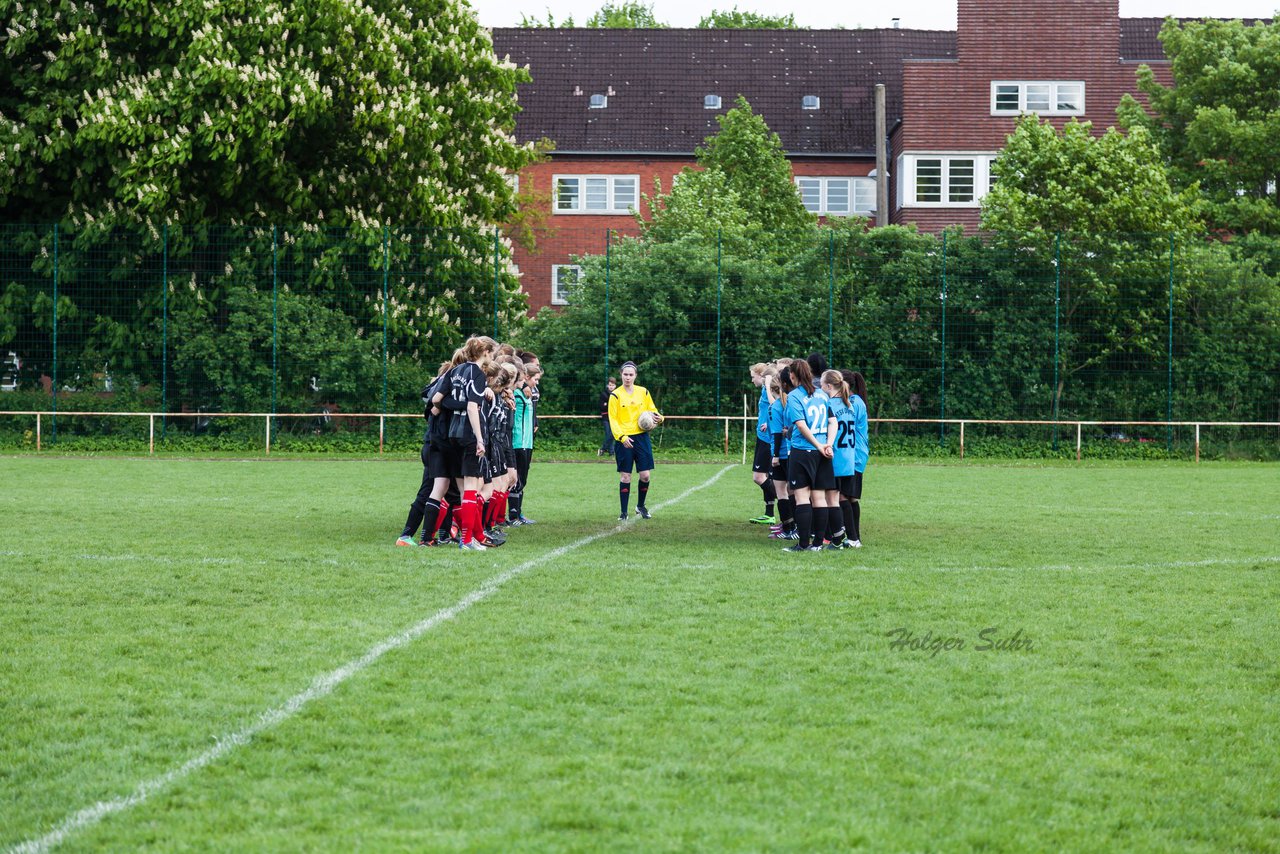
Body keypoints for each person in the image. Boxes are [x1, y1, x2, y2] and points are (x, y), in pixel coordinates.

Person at [781, 359, 836, 553]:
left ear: (793, 376)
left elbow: (801, 425)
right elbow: (832, 421)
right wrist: (828, 444)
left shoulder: (795, 396)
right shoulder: (822, 394)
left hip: (803, 451)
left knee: (802, 497)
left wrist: (820, 445)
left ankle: (803, 544)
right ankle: (818, 544)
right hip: (821, 453)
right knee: (819, 498)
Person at [608, 360, 662, 521]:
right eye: (625, 374)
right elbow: (613, 419)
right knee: (626, 476)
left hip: (641, 437)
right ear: (621, 375)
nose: (628, 377)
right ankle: (623, 512)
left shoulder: (643, 392)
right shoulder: (615, 395)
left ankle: (641, 506)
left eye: (631, 374)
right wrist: (622, 437)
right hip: (624, 439)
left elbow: (652, 411)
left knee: (645, 475)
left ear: (635, 376)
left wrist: (660, 418)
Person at [820, 369, 855, 550]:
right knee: (838, 499)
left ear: (828, 386)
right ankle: (842, 536)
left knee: (830, 500)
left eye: (822, 384)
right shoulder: (848, 404)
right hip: (848, 458)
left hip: (834, 457)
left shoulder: (829, 404)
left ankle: (837, 538)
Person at [841, 369, 870, 548]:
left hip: (854, 455)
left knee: (842, 496)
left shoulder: (853, 403)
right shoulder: (855, 401)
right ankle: (855, 537)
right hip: (855, 454)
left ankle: (852, 538)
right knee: (850, 497)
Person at [508, 361, 539, 525]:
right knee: (516, 479)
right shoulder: (518, 393)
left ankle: (518, 513)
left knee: (523, 479)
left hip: (527, 441)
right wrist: (523, 386)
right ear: (526, 377)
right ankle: (512, 515)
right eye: (535, 379)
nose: (537, 383)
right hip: (518, 441)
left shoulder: (530, 392)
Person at [767, 370, 797, 540]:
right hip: (792, 452)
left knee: (781, 492)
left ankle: (788, 528)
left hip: (781, 454)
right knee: (794, 492)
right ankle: (795, 528)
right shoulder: (790, 404)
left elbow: (777, 433)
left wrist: (776, 455)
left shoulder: (776, 407)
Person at [747, 363, 778, 524]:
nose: (752, 380)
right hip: (763, 436)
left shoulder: (769, 390)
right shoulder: (763, 390)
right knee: (765, 476)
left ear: (762, 375)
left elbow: (775, 406)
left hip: (768, 438)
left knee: (759, 477)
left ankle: (784, 498)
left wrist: (768, 423)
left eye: (753, 377)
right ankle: (769, 513)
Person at [598, 376, 617, 457]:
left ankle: (602, 449)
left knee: (612, 434)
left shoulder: (617, 394)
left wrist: (607, 404)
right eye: (610, 385)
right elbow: (602, 407)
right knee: (608, 434)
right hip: (605, 417)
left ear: (615, 386)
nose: (611, 387)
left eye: (612, 385)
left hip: (614, 418)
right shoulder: (603, 394)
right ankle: (611, 453)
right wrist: (609, 405)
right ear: (607, 385)